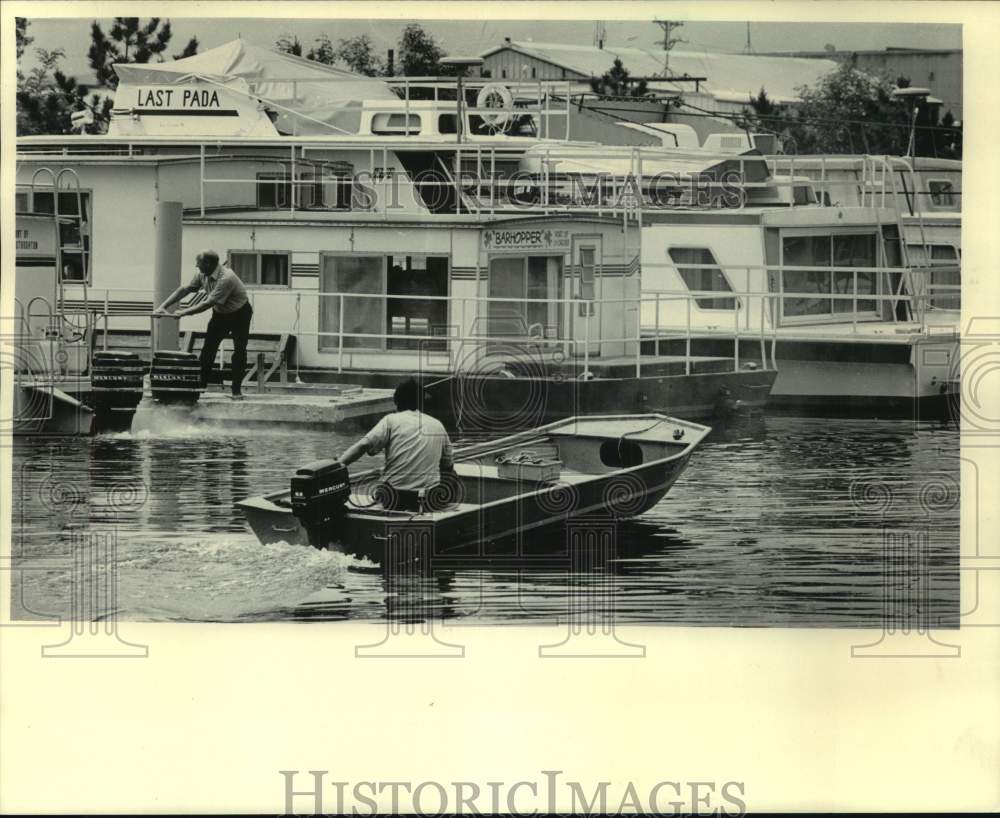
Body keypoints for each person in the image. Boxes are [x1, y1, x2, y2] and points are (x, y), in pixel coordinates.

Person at [335, 378, 456, 511]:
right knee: (451, 474)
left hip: (394, 499)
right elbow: (447, 465)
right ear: (421, 402)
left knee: (384, 479)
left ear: (396, 402)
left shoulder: (390, 420)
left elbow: (363, 446)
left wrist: (337, 465)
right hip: (427, 500)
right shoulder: (437, 424)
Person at [154, 249, 253, 400]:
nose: (196, 266)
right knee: (208, 349)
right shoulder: (203, 273)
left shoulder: (227, 278)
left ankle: (236, 391)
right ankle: (199, 386)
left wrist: (184, 312)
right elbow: (187, 289)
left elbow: (208, 303)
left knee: (239, 350)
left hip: (240, 314)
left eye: (198, 263)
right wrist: (164, 306)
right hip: (220, 314)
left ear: (207, 264)